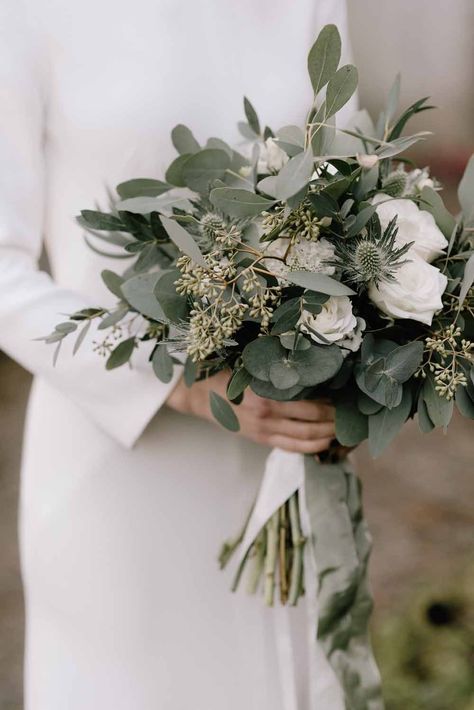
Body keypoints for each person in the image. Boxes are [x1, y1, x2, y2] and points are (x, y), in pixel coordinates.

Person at [0, 1, 356, 707]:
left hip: (285, 459)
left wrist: (351, 353)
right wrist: (194, 388)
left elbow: (343, 199)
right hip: (117, 468)